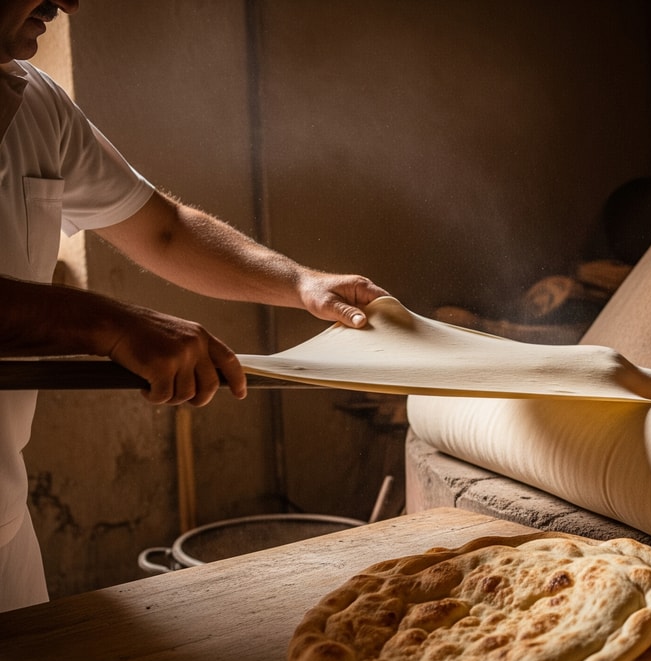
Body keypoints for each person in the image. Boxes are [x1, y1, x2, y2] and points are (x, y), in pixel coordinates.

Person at [0, 0, 390, 611]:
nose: (67, 2)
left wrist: (300, 284)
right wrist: (110, 324)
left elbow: (165, 230)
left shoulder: (37, 103)